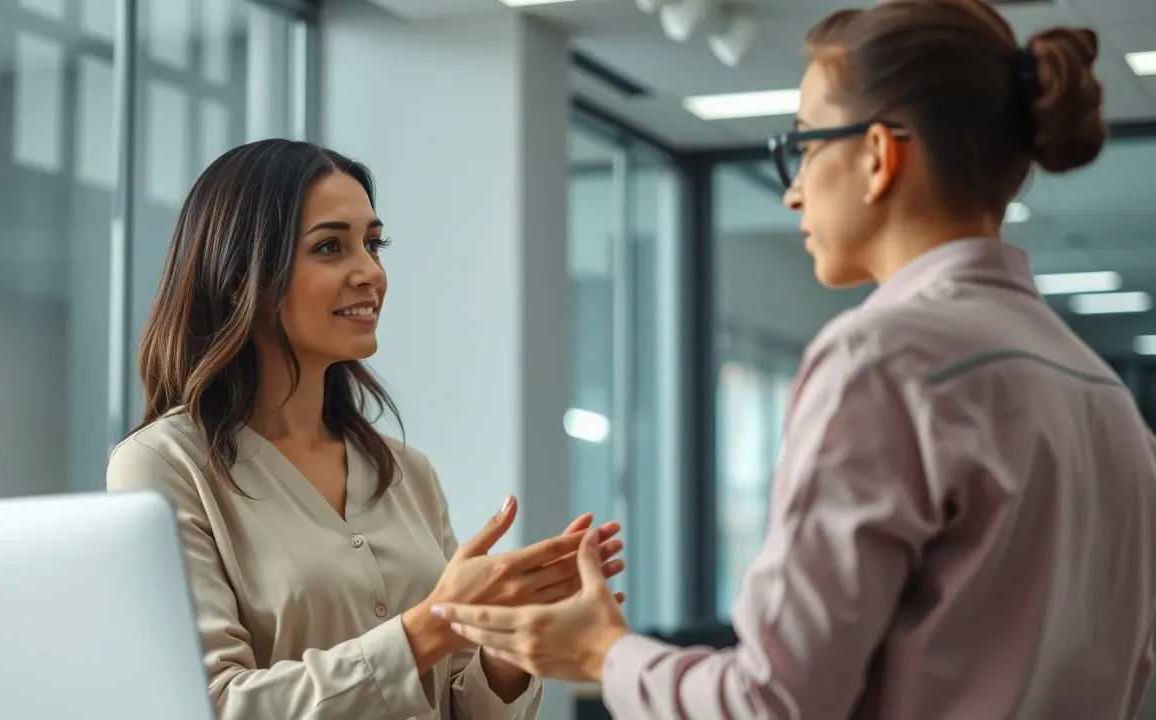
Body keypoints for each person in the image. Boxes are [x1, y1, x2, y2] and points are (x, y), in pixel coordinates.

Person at [432, 1, 1156, 717]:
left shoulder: (883, 359)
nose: (791, 190)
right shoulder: (1106, 399)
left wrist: (603, 654)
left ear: (878, 156)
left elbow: (771, 704)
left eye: (804, 144)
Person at [105, 139, 626, 720]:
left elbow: (462, 705)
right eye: (330, 247)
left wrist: (509, 639)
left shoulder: (407, 473)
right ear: (237, 278)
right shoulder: (162, 465)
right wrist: (432, 625)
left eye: (373, 245)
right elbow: (213, 706)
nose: (370, 273)